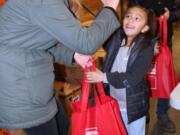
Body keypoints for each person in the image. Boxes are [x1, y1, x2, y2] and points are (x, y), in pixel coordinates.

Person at [0, 0, 120, 134]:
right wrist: (110, 8)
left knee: (62, 125)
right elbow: (86, 43)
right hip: (20, 87)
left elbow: (39, 42)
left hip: (32, 82)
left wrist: (74, 54)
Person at [86, 5, 157, 135]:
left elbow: (133, 78)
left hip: (134, 107)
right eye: (128, 16)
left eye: (137, 18)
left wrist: (103, 77)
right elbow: (101, 31)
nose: (130, 21)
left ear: (145, 28)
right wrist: (107, 8)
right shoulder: (115, 42)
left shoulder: (146, 49)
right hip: (113, 103)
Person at [128, 0, 180, 133]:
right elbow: (131, 9)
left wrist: (172, 15)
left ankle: (162, 114)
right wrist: (144, 15)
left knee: (164, 79)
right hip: (143, 40)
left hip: (164, 41)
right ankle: (143, 112)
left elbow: (178, 8)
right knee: (141, 78)